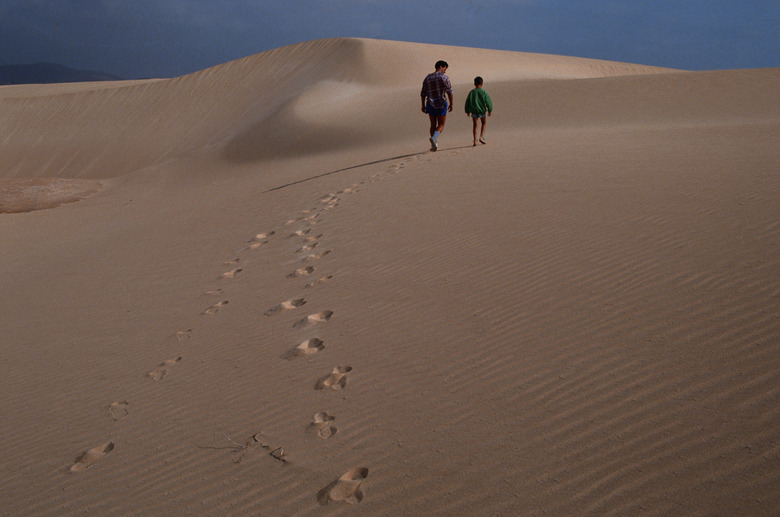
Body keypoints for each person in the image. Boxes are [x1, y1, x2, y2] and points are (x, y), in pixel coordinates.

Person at [420, 60, 453, 152]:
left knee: (433, 125)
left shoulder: (427, 78)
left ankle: (434, 144)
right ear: (441, 66)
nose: (445, 71)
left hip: (430, 103)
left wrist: (422, 105)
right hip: (441, 103)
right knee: (441, 124)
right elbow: (449, 91)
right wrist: (451, 104)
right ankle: (434, 138)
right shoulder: (444, 77)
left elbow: (423, 93)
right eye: (445, 69)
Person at [464, 76, 493, 146]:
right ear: (482, 83)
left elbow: (467, 102)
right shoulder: (484, 92)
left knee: (475, 126)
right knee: (483, 123)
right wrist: (490, 109)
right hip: (482, 111)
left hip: (474, 111)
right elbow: (488, 101)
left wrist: (467, 111)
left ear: (474, 84)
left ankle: (475, 141)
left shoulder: (472, 92)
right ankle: (481, 137)